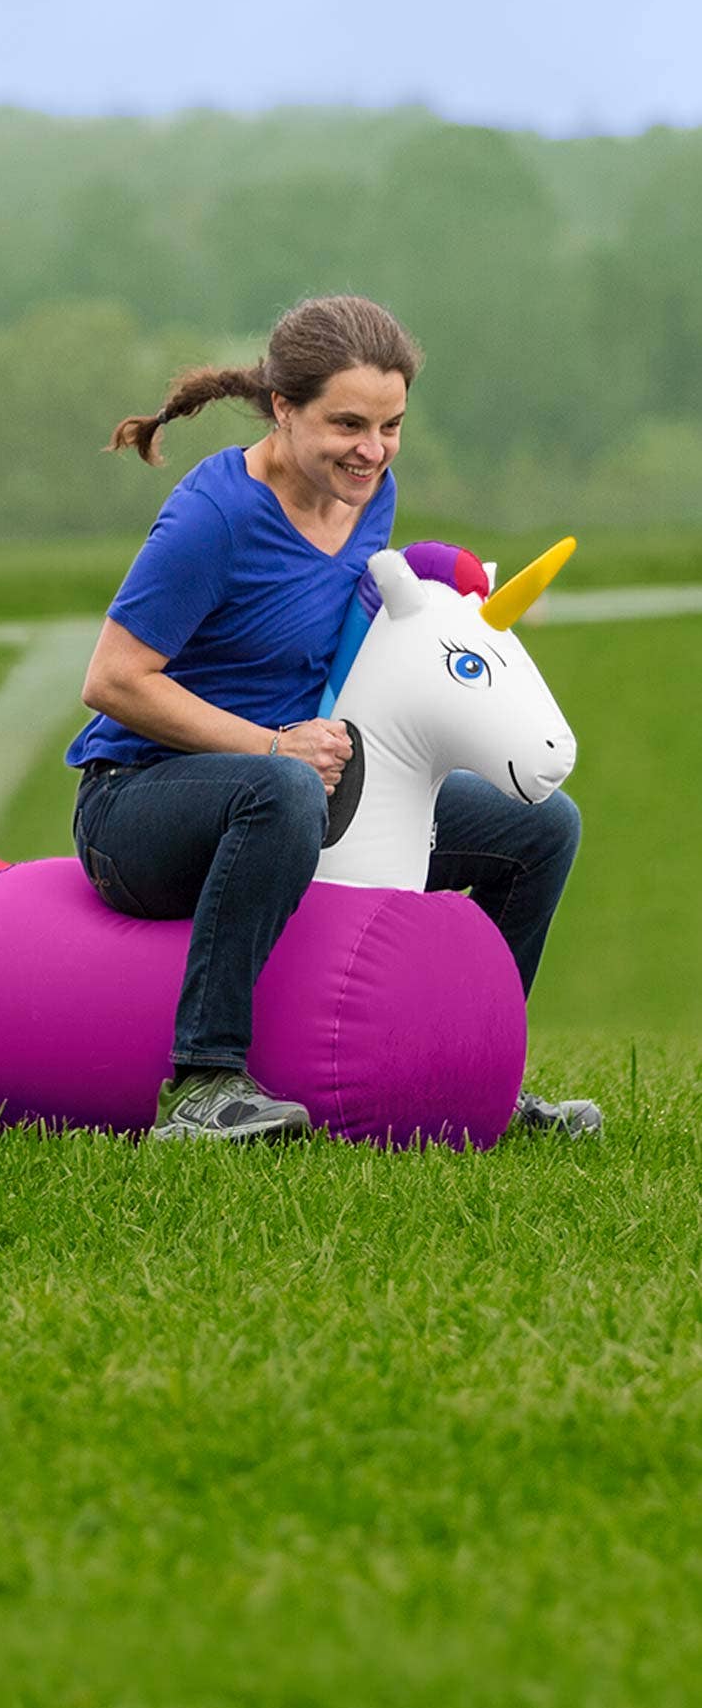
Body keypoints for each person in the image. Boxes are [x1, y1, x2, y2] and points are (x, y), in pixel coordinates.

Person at [69, 293, 595, 1143]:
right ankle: (203, 1084)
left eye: (391, 426)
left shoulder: (367, 496)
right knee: (279, 792)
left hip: (301, 790)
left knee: (541, 827)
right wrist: (271, 746)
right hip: (137, 805)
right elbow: (113, 682)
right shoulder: (215, 518)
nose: (372, 450)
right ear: (284, 407)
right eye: (348, 424)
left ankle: (479, 1072)